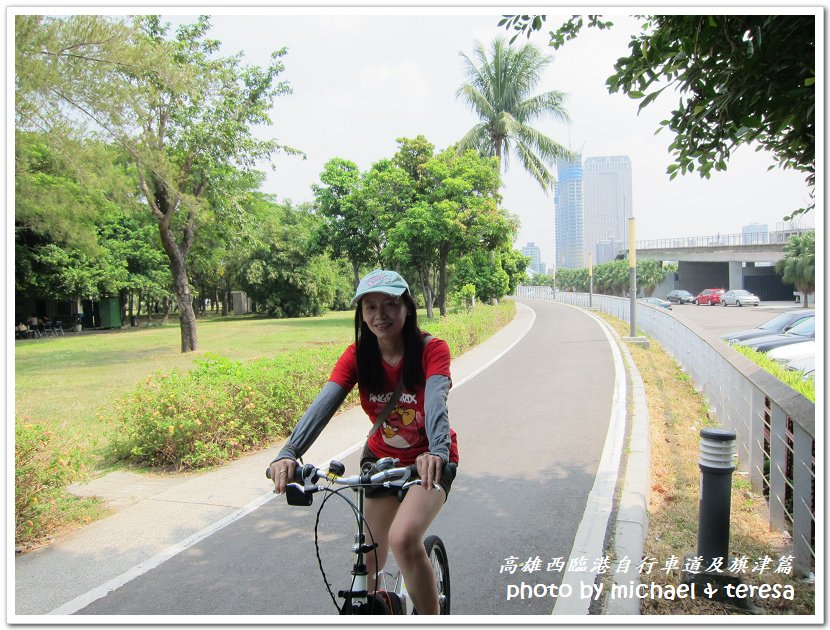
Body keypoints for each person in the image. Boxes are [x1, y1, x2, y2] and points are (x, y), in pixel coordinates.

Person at [269, 269, 458, 615]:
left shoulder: (432, 350)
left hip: (428, 462)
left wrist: (437, 451)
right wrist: (289, 451)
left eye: (389, 304)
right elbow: (324, 404)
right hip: (381, 462)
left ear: (407, 308)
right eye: (370, 307)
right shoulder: (357, 356)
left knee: (403, 539)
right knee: (368, 555)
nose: (379, 315)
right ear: (361, 313)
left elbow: (435, 403)